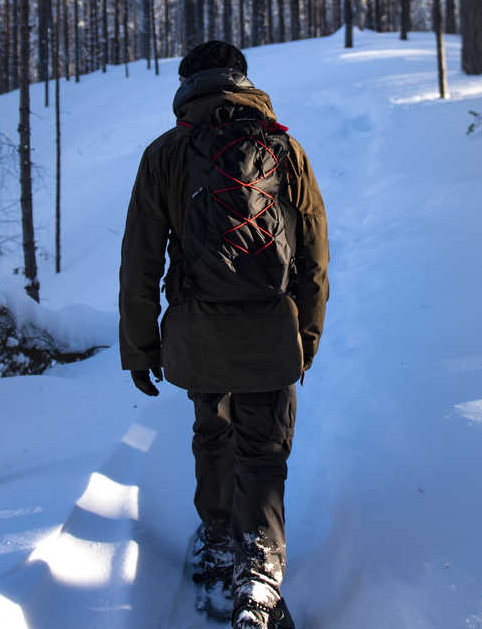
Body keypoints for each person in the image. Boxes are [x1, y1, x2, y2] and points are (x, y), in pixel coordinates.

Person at [118, 41, 329, 629]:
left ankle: (216, 539)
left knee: (213, 428)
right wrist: (304, 336)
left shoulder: (165, 153)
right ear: (242, 80)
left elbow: (140, 261)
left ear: (186, 86)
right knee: (264, 452)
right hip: (270, 329)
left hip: (196, 331)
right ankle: (259, 578)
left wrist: (140, 348)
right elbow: (313, 256)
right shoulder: (284, 148)